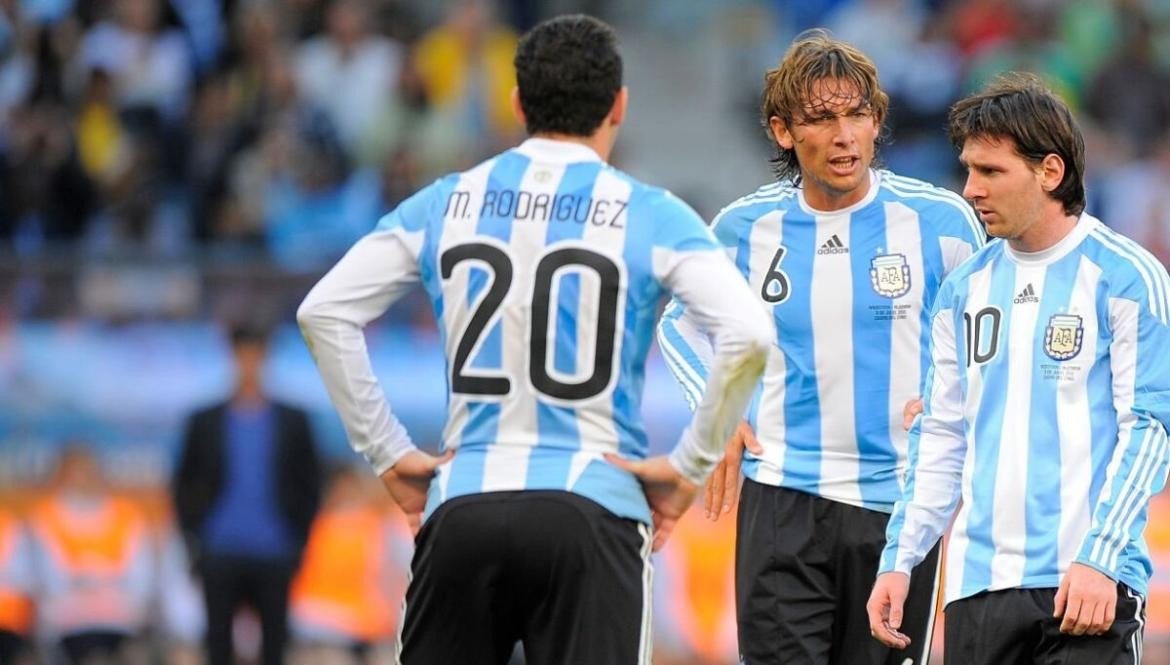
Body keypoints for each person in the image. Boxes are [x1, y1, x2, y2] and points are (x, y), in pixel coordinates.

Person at [297, 14, 772, 665]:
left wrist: (386, 450)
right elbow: (746, 333)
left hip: (462, 499)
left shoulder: (449, 199)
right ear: (619, 106)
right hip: (593, 505)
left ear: (517, 102)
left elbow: (323, 311)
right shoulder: (650, 211)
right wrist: (689, 466)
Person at [656, 29, 985, 665]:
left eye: (858, 114)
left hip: (899, 508)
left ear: (877, 121)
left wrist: (959, 400)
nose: (844, 136)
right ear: (783, 131)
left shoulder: (940, 222)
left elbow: (992, 333)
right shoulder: (746, 229)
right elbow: (681, 325)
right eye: (823, 119)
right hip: (783, 498)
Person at [869, 73, 1170, 664]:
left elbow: (1151, 429)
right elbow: (942, 436)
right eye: (968, 170)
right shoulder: (962, 290)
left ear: (1050, 172)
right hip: (978, 590)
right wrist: (900, 559)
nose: (971, 189)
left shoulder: (1128, 278)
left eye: (990, 172)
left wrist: (1100, 557)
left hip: (1086, 584)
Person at [173, 325, 323, 665]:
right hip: (219, 550)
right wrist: (195, 541)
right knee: (218, 647)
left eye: (256, 354)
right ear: (233, 358)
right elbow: (182, 485)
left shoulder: (292, 421)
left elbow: (311, 483)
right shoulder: (206, 421)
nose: (249, 363)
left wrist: (297, 541)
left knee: (274, 648)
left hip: (274, 551)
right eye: (243, 354)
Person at [28, 445, 155, 664]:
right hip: (69, 621)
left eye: (88, 472)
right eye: (74, 474)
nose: (82, 481)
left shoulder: (127, 516)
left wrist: (91, 579)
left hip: (120, 619)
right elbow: (50, 579)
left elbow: (141, 577)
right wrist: (100, 577)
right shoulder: (45, 518)